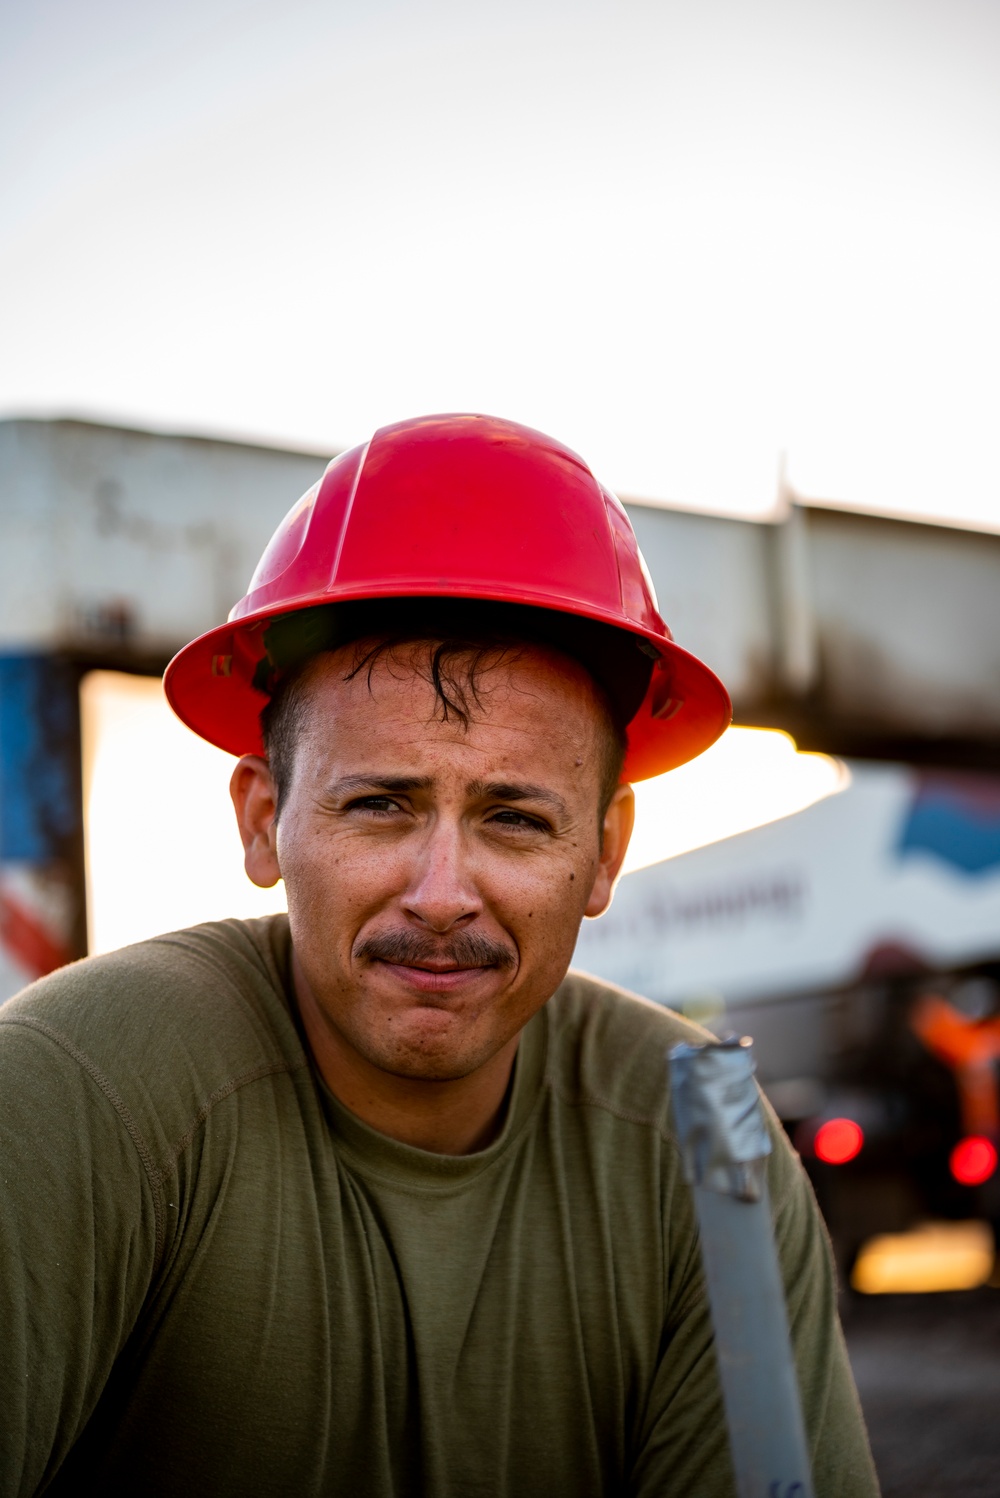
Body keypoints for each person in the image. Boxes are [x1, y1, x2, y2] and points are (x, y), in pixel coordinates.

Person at [0, 414, 878, 1496]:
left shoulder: (700, 1152)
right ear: (262, 821)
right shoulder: (77, 1092)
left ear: (603, 850)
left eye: (513, 818)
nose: (442, 892)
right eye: (378, 804)